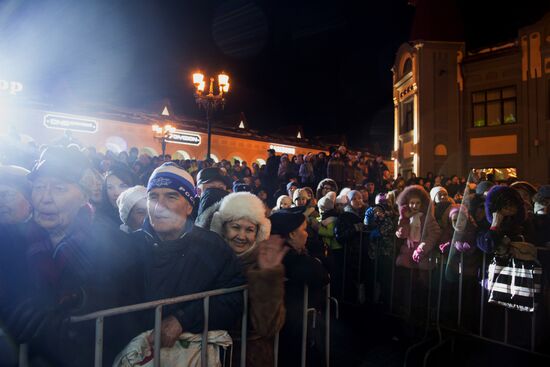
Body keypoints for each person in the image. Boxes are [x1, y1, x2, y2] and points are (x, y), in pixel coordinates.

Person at [6, 147, 138, 366]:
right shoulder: (11, 240)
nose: (45, 198)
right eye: (38, 187)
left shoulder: (115, 244)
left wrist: (87, 304)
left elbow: (129, 312)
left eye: (59, 188)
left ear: (84, 196)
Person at [133, 162, 245, 349]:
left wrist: (182, 320)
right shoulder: (129, 245)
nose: (159, 206)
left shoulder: (212, 248)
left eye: (171, 196)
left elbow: (233, 299)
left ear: (189, 207)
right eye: (153, 196)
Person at [205, 192, 286, 367]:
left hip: (249, 358)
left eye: (249, 229)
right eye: (236, 227)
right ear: (223, 227)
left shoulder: (261, 266)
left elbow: (268, 327)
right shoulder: (206, 260)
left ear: (258, 233)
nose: (242, 236)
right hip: (207, 355)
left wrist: (269, 276)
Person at [269, 210, 330, 367]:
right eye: (303, 229)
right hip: (293, 326)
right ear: (292, 234)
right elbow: (321, 276)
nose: (307, 234)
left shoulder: (289, 253)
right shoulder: (288, 256)